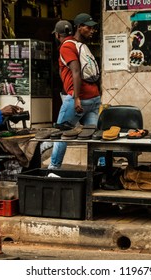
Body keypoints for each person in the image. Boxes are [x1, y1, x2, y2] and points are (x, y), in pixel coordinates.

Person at [48, 14, 101, 169]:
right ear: (78, 28)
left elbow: (76, 71)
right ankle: (99, 169)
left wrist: (76, 98)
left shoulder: (67, 46)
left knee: (61, 134)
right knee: (94, 139)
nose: (92, 31)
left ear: (57, 35)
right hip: (94, 98)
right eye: (89, 27)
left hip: (80, 99)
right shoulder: (81, 45)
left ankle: (53, 168)